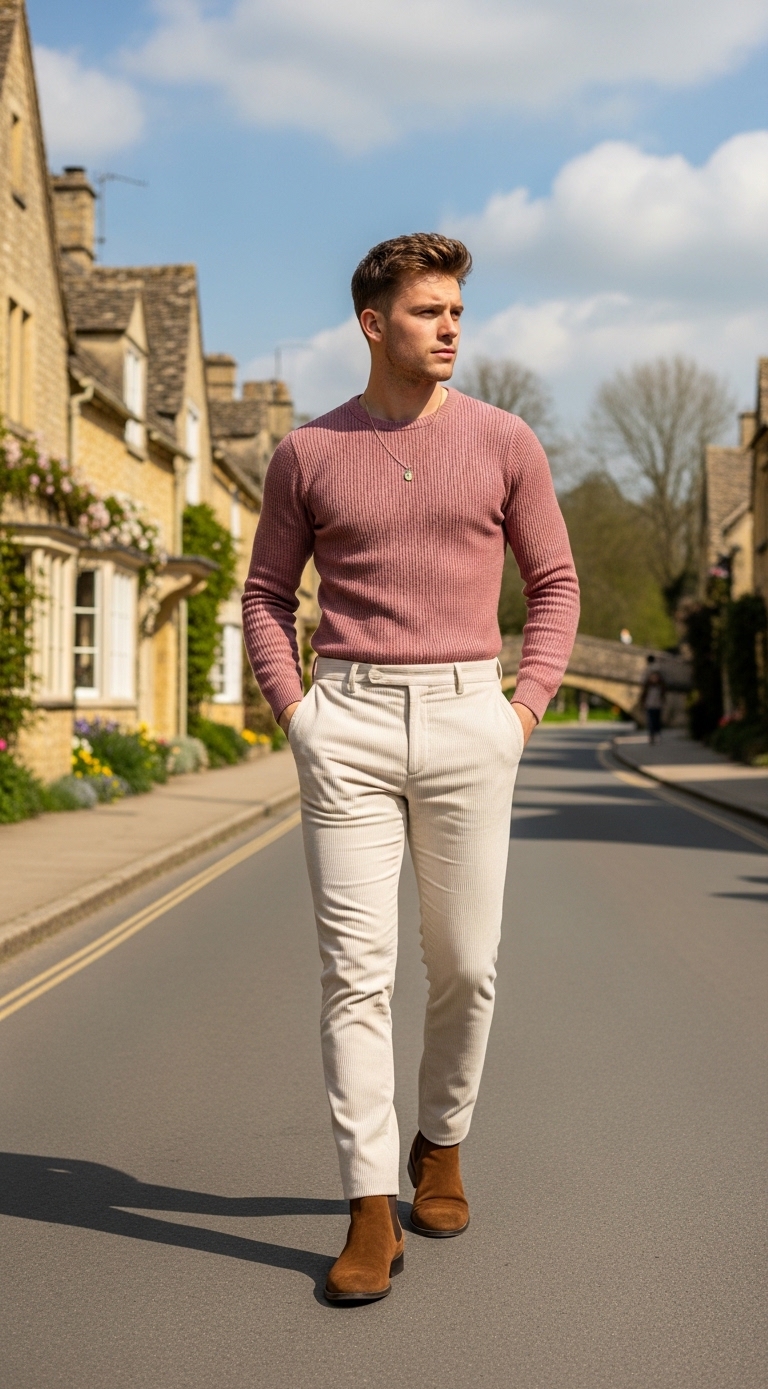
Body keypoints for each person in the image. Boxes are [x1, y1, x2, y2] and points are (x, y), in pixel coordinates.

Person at [242, 234, 580, 1304]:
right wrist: (297, 714)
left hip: (469, 717)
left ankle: (443, 1140)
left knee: (466, 964)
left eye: (457, 312)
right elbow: (265, 595)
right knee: (356, 972)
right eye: (429, 311)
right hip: (345, 720)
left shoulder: (504, 440)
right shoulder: (307, 453)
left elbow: (556, 584)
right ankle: (367, 1207)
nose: (449, 329)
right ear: (373, 323)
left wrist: (521, 712)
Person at [640, 656, 666, 744]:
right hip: (650, 705)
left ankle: (657, 735)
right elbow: (644, 695)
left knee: (656, 721)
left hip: (657, 705)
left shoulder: (659, 687)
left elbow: (663, 695)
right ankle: (652, 736)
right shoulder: (648, 687)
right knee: (651, 722)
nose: (654, 678)